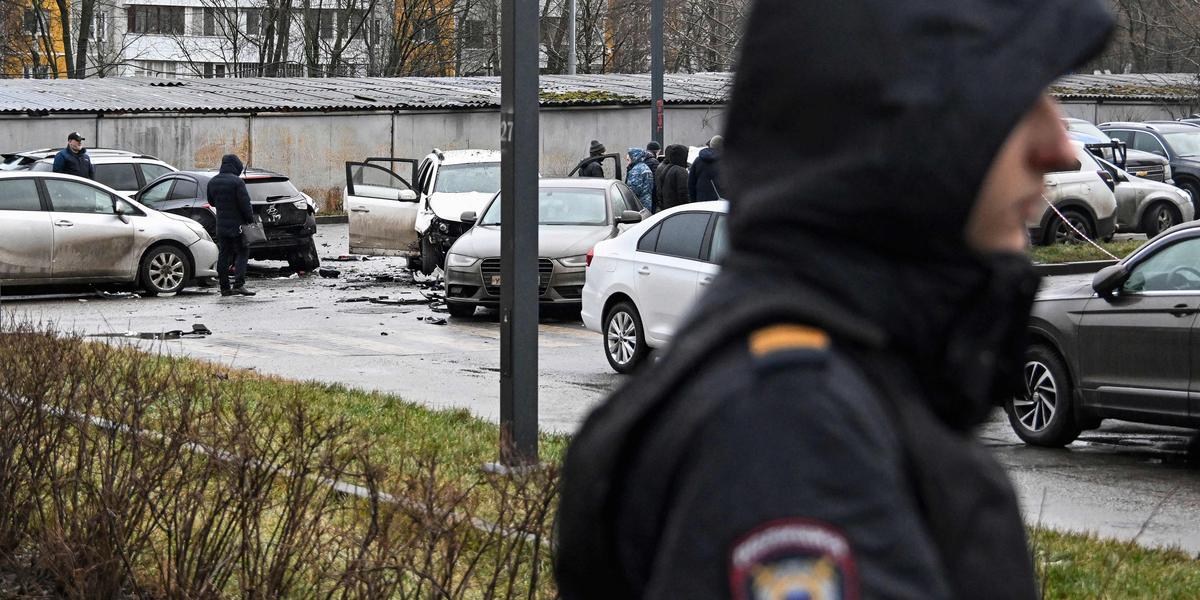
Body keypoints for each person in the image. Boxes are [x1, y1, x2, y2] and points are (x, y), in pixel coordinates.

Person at [555, 0, 1113, 599]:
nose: (1060, 146)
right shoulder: (790, 435)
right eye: (1020, 98)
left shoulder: (830, 391)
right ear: (904, 127)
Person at [208, 154, 257, 297]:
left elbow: (211, 202)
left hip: (221, 225)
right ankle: (239, 285)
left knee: (224, 255)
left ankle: (224, 288)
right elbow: (245, 204)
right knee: (242, 252)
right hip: (238, 226)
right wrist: (250, 220)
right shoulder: (237, 182)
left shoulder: (213, 182)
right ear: (236, 166)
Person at [653, 143, 690, 211]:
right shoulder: (681, 171)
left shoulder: (667, 168)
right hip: (678, 210)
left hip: (668, 209)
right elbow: (684, 194)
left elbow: (659, 192)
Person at [688, 135, 723, 202]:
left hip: (701, 203)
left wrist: (693, 201)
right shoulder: (725, 162)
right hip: (720, 204)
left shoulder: (698, 160)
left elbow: (691, 184)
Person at [625, 147, 654, 212]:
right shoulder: (645, 167)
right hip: (647, 203)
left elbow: (633, 190)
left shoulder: (637, 170)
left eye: (629, 158)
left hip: (638, 205)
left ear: (635, 157)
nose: (627, 159)